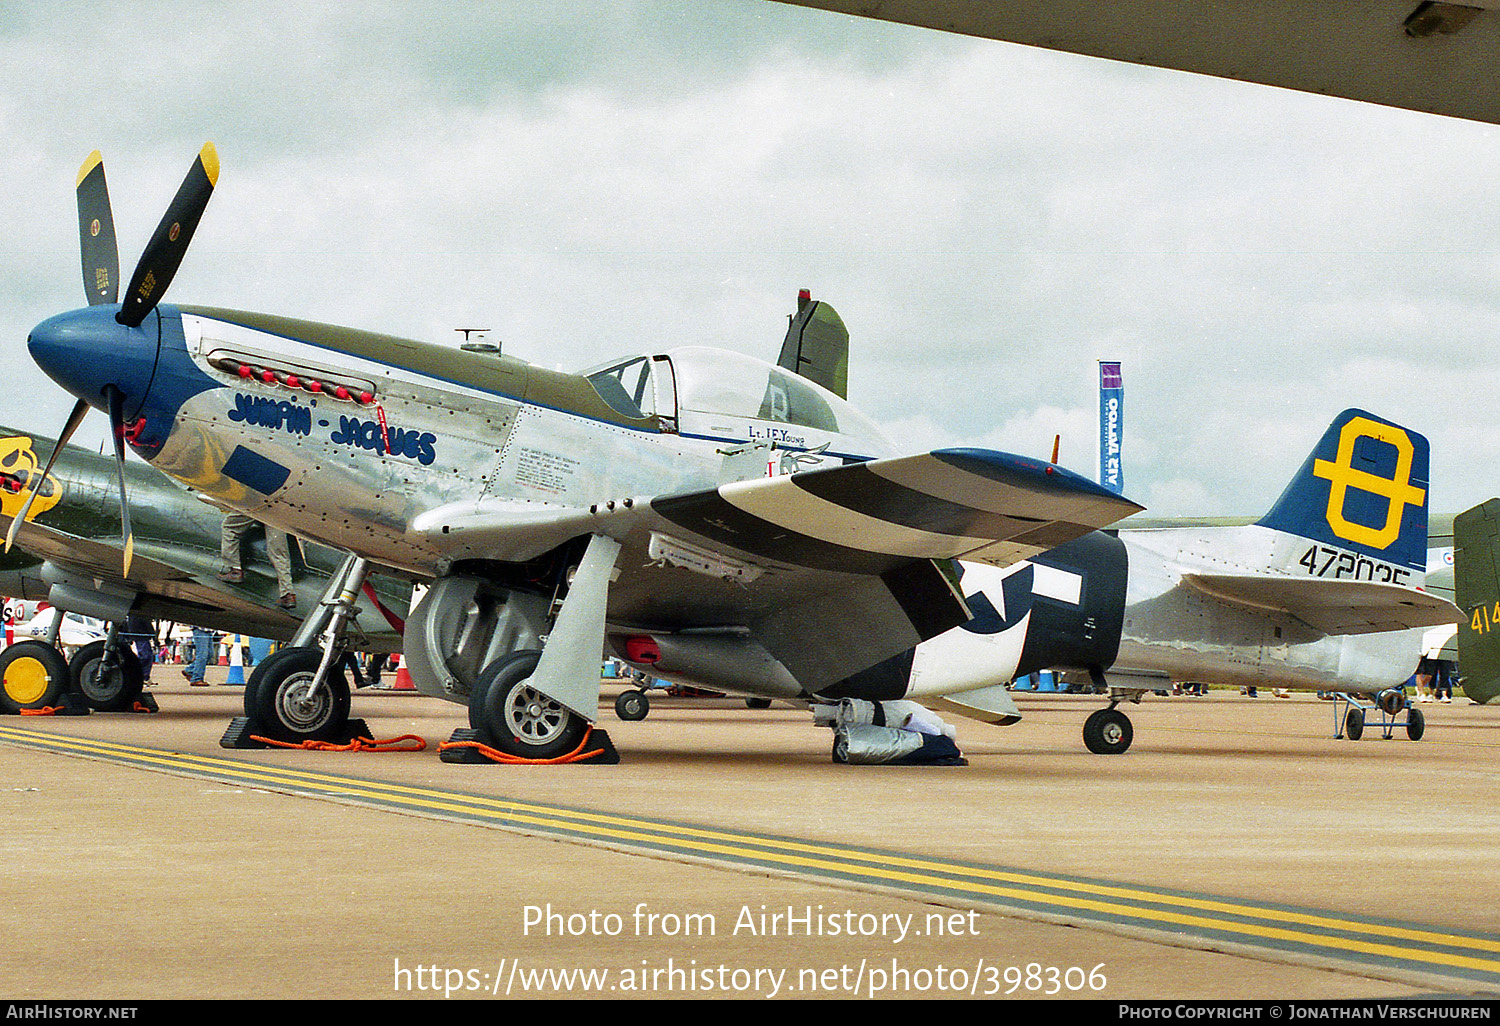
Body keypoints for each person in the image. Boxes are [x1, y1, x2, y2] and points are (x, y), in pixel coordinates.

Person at [218, 513, 297, 609]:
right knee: (279, 553)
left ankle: (235, 570)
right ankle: (288, 595)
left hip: (259, 503)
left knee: (229, 527)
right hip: (280, 509)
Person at [121, 614, 156, 684]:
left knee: (146, 656)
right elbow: (146, 623)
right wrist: (153, 634)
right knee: (146, 656)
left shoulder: (131, 616)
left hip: (138, 635)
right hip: (141, 635)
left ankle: (143, 676)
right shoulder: (140, 614)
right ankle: (141, 676)